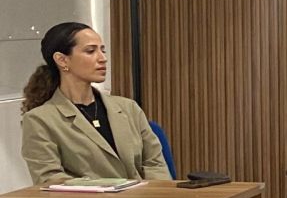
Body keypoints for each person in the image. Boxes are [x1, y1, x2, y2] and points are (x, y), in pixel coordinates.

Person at [20, 22, 173, 185]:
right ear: (62, 60)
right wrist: (112, 191)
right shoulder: (39, 120)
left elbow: (155, 165)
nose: (103, 58)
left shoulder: (129, 108)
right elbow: (50, 179)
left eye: (103, 50)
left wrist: (157, 195)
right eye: (90, 51)